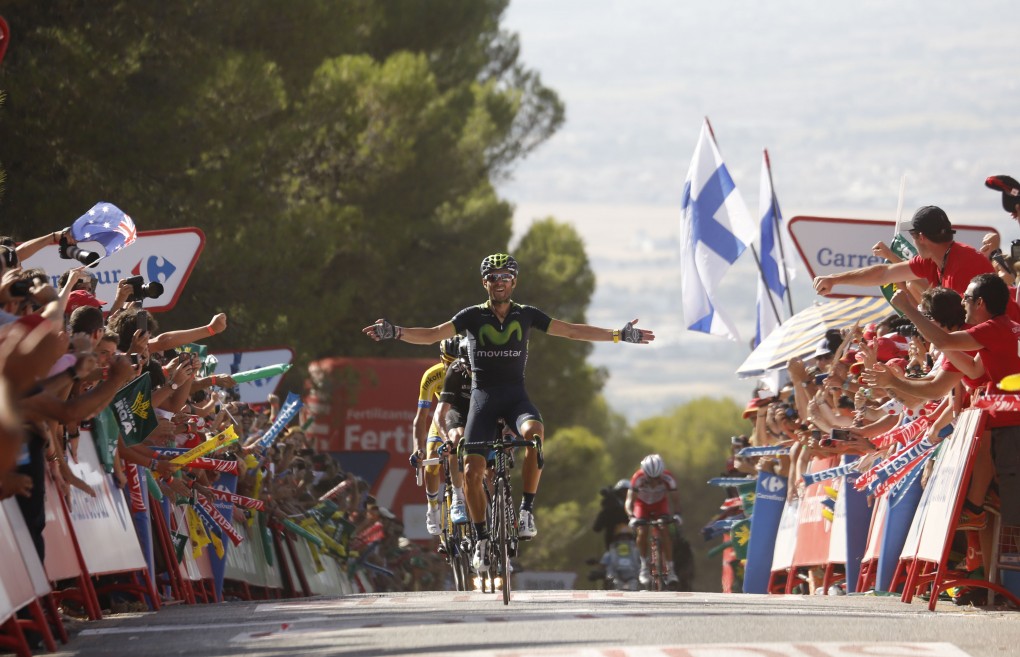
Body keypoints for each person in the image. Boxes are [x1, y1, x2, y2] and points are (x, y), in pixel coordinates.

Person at [362, 253, 655, 575]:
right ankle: (482, 539)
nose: (498, 282)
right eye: (492, 277)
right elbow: (433, 334)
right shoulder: (472, 316)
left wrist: (618, 335)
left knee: (535, 434)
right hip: (482, 401)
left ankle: (526, 511)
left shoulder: (526, 315)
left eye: (504, 276)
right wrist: (395, 331)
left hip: (516, 398)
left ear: (514, 281)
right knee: (472, 472)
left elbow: (571, 331)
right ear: (483, 282)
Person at [890, 273, 1020, 529]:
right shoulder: (1007, 328)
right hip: (1007, 427)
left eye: (967, 298)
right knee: (1009, 519)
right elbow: (972, 369)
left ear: (980, 303)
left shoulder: (994, 329)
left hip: (1012, 428)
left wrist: (907, 309)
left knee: (1014, 521)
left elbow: (944, 347)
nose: (963, 304)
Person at [813, 206, 997, 301]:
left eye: (912, 235)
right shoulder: (936, 258)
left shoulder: (965, 266)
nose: (913, 241)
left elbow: (969, 323)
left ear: (922, 237)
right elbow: (884, 273)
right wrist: (834, 279)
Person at [410, 336, 467, 535]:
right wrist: (418, 448)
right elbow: (421, 417)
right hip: (442, 418)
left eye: (456, 362)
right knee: (432, 456)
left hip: (463, 417)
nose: (452, 367)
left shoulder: (468, 370)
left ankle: (463, 499)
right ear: (441, 359)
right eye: (448, 362)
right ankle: (433, 507)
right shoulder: (432, 376)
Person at [625, 454, 682, 588]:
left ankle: (670, 569)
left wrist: (678, 514)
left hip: (660, 505)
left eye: (657, 478)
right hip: (642, 505)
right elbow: (629, 502)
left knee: (664, 529)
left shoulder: (669, 478)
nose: (654, 482)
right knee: (642, 530)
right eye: (651, 478)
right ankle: (644, 567)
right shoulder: (637, 478)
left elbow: (676, 500)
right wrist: (631, 517)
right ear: (645, 474)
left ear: (662, 474)